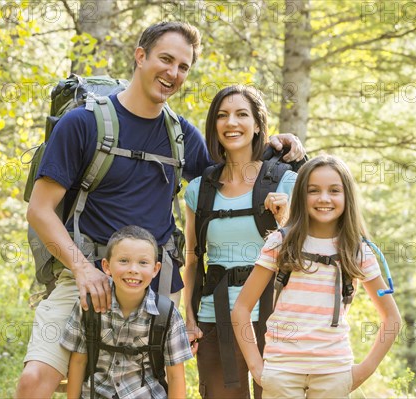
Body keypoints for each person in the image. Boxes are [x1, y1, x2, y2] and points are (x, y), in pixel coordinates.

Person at [16, 21, 305, 398]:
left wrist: (274, 146)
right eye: (165, 59)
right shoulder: (82, 124)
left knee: (164, 387)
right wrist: (83, 269)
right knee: (35, 380)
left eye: (183, 67)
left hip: (156, 284)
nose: (173, 73)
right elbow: (40, 210)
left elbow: (229, 174)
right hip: (87, 274)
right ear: (140, 56)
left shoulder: (180, 134)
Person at [231, 155, 402, 399]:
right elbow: (241, 309)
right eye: (314, 190)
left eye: (334, 190)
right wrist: (257, 369)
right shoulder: (280, 242)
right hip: (282, 371)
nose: (324, 198)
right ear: (301, 195)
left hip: (334, 373)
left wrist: (363, 371)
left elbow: (392, 318)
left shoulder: (357, 250)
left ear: (347, 197)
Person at [182, 85, 297, 399]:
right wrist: (189, 321)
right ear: (214, 125)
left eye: (241, 114)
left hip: (273, 318)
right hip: (214, 319)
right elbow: (192, 260)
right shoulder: (198, 189)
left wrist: (284, 217)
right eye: (222, 115)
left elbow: (303, 253)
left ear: (258, 124)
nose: (231, 122)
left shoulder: (286, 180)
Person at [60, 225, 191, 398]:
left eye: (143, 262)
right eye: (123, 261)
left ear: (155, 269)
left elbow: (175, 376)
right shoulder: (89, 307)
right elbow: (78, 362)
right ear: (106, 266)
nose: (133, 269)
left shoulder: (167, 315)